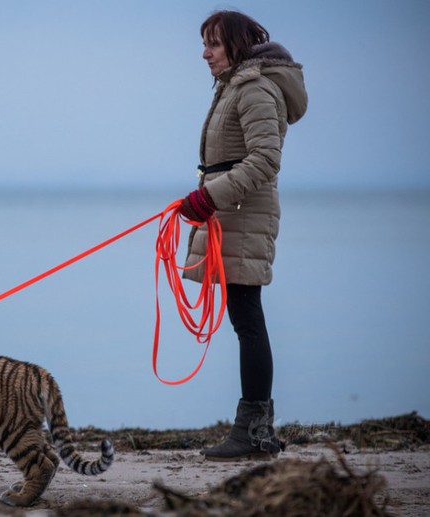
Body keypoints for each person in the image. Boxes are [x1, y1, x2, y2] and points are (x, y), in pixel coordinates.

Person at [178, 10, 308, 461]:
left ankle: (253, 433)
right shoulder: (235, 86)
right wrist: (207, 197)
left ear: (236, 45)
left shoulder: (254, 88)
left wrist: (209, 197)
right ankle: (258, 431)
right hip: (231, 212)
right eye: (205, 44)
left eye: (213, 44)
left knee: (248, 318)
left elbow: (266, 160)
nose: (205, 53)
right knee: (245, 317)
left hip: (243, 213)